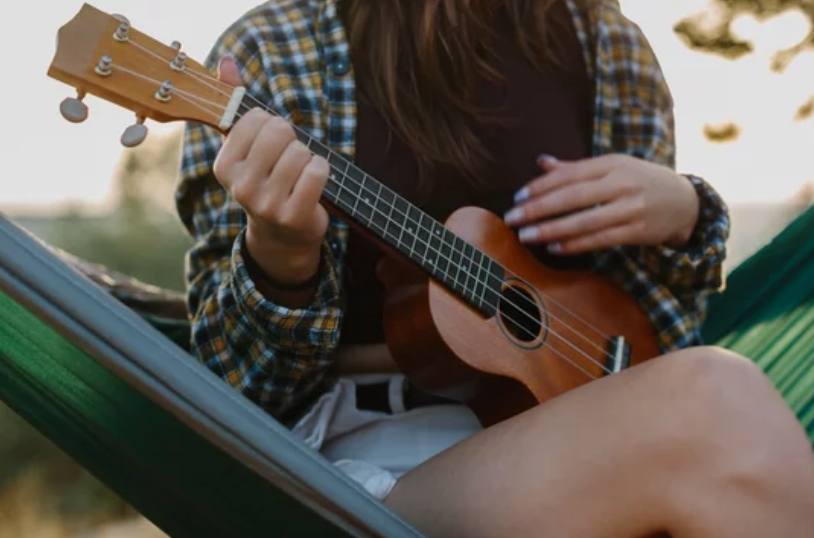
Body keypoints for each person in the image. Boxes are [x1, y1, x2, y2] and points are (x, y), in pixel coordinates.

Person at [176, 0, 814, 536]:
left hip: (585, 435)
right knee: (714, 401)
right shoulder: (274, 47)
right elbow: (237, 392)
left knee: (711, 403)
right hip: (366, 468)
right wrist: (282, 256)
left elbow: (659, 342)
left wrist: (685, 215)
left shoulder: (606, 44)